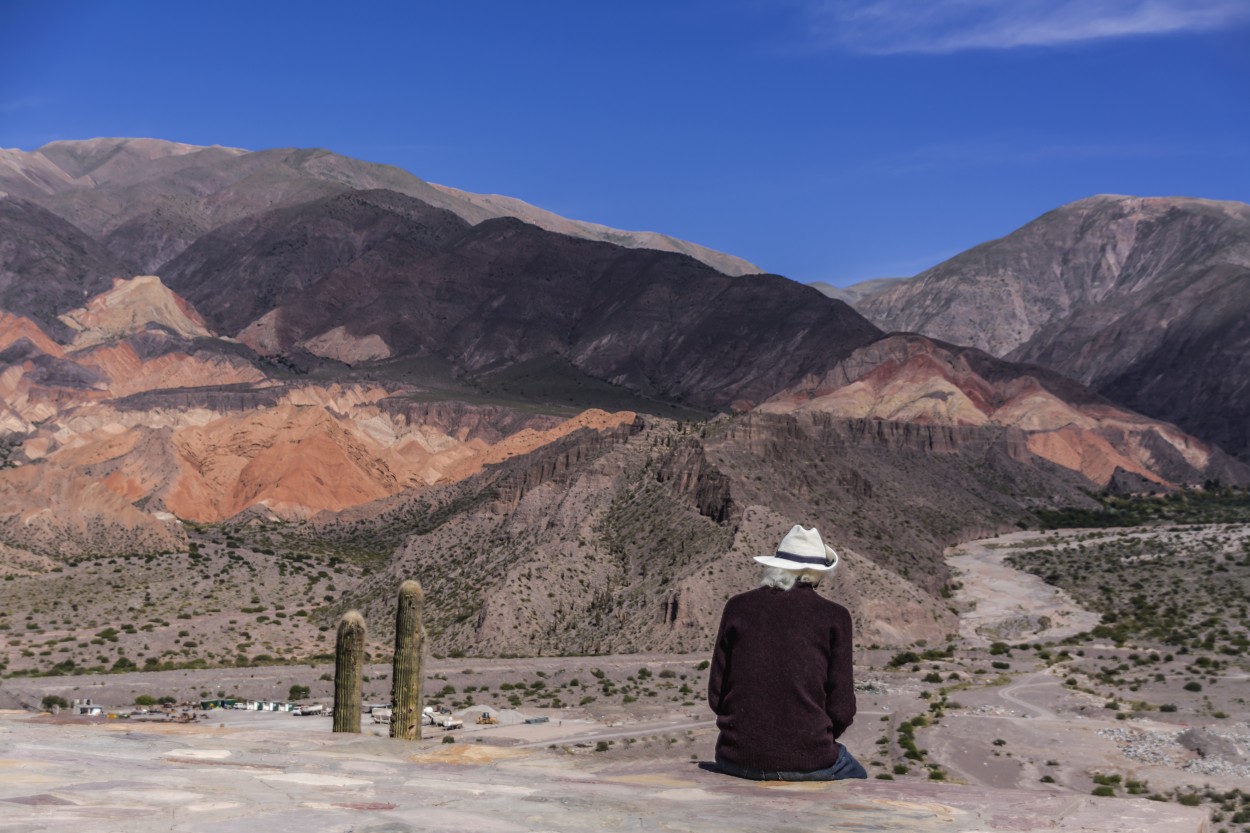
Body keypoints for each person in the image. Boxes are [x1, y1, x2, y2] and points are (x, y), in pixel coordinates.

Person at [707, 524, 867, 781]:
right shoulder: (835, 617)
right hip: (809, 760)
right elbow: (842, 709)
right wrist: (805, 739)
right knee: (858, 779)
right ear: (816, 572)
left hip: (734, 757)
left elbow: (717, 696)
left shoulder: (737, 607)